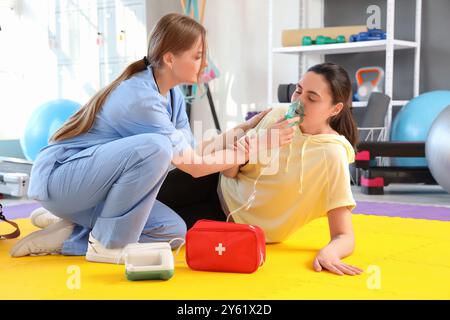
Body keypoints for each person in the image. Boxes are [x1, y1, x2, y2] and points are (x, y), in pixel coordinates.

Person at [10, 13, 295, 264]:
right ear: (170, 58)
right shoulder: (140, 97)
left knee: (173, 232)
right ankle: (107, 246)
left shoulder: (171, 95)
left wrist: (244, 131)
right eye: (197, 56)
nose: (204, 63)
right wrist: (255, 148)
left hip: (90, 189)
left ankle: (73, 233)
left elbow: (197, 153)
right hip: (60, 181)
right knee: (156, 148)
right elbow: (193, 168)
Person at [219, 63, 363, 276]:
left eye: (312, 98)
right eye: (298, 90)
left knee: (163, 223)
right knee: (156, 194)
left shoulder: (332, 154)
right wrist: (259, 141)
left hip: (237, 229)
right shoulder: (278, 116)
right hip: (217, 187)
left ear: (335, 109)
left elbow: (344, 235)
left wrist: (330, 253)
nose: (298, 102)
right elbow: (229, 172)